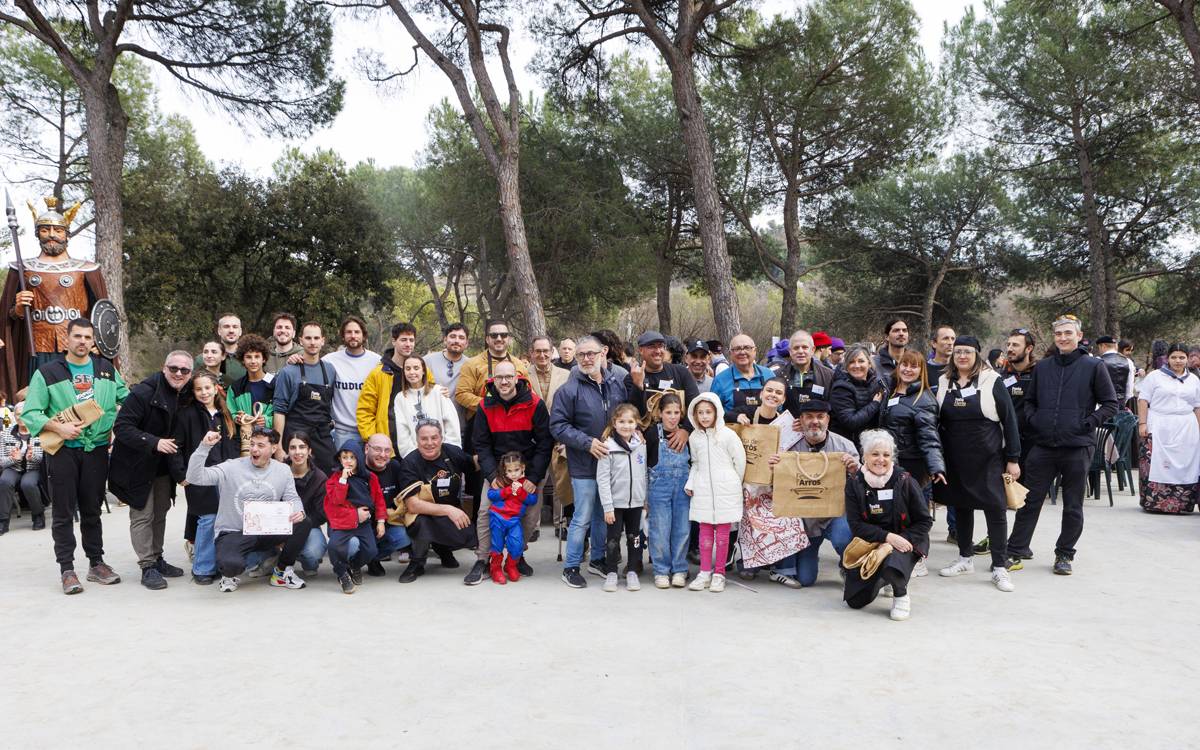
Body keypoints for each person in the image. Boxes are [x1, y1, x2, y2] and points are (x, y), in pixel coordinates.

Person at [23, 318, 127, 594]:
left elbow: (127, 399)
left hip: (96, 451)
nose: (82, 341)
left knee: (92, 510)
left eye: (87, 337)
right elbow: (30, 412)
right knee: (63, 512)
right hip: (63, 452)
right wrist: (59, 427)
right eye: (77, 336)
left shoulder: (106, 369)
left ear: (93, 341)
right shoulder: (46, 373)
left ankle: (96, 564)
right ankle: (67, 570)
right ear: (67, 339)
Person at [1007, 315, 1117, 575]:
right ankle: (1016, 549)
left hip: (1077, 446)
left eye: (1068, 333)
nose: (1063, 338)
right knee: (1029, 501)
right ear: (1054, 338)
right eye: (1059, 334)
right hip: (1043, 445)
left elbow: (1111, 403)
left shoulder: (1093, 366)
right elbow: (1030, 401)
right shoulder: (1043, 367)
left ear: (1079, 336)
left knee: (1072, 504)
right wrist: (1035, 420)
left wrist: (1087, 423)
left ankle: (1064, 554)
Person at [933, 336, 1020, 592]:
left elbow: (1010, 421)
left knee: (995, 508)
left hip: (988, 457)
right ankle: (965, 558)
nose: (962, 356)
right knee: (961, 506)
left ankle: (1000, 567)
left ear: (977, 355)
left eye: (967, 352)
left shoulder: (992, 380)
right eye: (957, 352)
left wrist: (1013, 459)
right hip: (955, 456)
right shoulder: (943, 381)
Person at [1, 197, 111, 396]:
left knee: (76, 397)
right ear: (37, 233)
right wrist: (16, 310)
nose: (51, 235)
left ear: (66, 234)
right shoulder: (22, 269)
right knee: (36, 396)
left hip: (76, 346)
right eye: (45, 230)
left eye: (58, 230)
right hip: (36, 346)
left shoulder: (86, 269)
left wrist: (100, 343)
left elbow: (103, 314)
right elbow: (6, 317)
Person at [185, 427, 310, 593]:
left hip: (266, 529)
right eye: (252, 444)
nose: (254, 449)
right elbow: (194, 477)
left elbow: (292, 498)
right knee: (231, 566)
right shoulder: (231, 467)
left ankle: (281, 572)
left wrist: (298, 510)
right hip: (234, 532)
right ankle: (230, 574)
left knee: (303, 522)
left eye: (260, 445)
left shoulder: (283, 470)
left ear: (273, 448)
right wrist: (204, 447)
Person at [109, 350, 193, 590]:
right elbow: (122, 427)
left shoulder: (185, 393)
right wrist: (154, 441)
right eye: (173, 368)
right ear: (164, 368)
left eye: (184, 370)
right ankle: (147, 566)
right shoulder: (143, 392)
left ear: (190, 373)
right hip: (136, 464)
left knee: (160, 512)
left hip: (162, 466)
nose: (178, 373)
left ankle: (157, 557)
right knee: (142, 515)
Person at [552, 334, 629, 588]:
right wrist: (587, 442)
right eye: (581, 355)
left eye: (591, 354)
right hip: (583, 464)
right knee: (582, 515)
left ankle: (597, 559)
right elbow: (558, 426)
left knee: (602, 514)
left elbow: (624, 417)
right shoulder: (569, 389)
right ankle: (571, 566)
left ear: (603, 353)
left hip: (611, 464)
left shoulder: (617, 383)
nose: (586, 359)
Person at [466, 360, 552, 585]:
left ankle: (516, 555)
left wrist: (533, 478)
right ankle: (483, 559)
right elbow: (481, 445)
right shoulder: (485, 406)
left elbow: (545, 443)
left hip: (528, 468)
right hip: (497, 469)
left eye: (508, 377)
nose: (504, 382)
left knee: (529, 514)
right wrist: (492, 477)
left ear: (517, 378)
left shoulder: (534, 403)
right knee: (486, 510)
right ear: (493, 379)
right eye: (499, 377)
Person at [767, 400, 860, 586]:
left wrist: (855, 470)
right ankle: (807, 556)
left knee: (843, 537)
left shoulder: (844, 446)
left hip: (836, 514)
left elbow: (864, 484)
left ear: (828, 419)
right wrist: (772, 469)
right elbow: (776, 488)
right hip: (806, 519)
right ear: (800, 420)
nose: (814, 421)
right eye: (809, 417)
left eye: (820, 416)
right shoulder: (789, 446)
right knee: (806, 579)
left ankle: (847, 565)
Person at [842, 430, 932, 621]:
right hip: (873, 541)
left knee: (892, 564)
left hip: (907, 538)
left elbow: (924, 521)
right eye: (874, 454)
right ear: (864, 456)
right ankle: (885, 578)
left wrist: (897, 541)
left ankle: (901, 593)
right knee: (854, 600)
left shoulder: (905, 480)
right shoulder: (855, 483)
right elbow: (856, 525)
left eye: (886, 454)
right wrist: (886, 538)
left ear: (893, 457)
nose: (880, 459)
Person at [736, 377, 810, 588]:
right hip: (748, 483)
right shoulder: (748, 415)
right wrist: (737, 416)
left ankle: (782, 569)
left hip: (776, 482)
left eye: (778, 393)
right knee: (749, 517)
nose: (773, 395)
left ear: (784, 399)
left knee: (788, 517)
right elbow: (724, 417)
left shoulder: (789, 424)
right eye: (769, 390)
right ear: (761, 393)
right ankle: (749, 562)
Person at [168, 372, 238, 585]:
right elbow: (176, 446)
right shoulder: (186, 414)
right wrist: (181, 474)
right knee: (207, 519)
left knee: (223, 520)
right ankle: (202, 568)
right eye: (199, 389)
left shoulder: (225, 414)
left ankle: (218, 563)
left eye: (207, 388)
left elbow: (231, 445)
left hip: (224, 474)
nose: (204, 393)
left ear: (216, 387)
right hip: (199, 475)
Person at [394, 420, 478, 582]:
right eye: (424, 439)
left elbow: (474, 464)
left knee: (467, 536)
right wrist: (449, 510)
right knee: (421, 523)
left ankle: (443, 549)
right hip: (421, 513)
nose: (430, 443)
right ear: (416, 440)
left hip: (449, 513)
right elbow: (413, 505)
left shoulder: (452, 452)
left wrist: (494, 454)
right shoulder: (410, 463)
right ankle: (417, 562)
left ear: (441, 438)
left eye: (434, 438)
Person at [683, 393, 745, 593]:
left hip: (726, 490)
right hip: (702, 491)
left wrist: (734, 482)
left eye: (708, 412)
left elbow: (740, 461)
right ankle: (704, 572)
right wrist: (691, 482)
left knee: (723, 536)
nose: (704, 416)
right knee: (705, 534)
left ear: (717, 412)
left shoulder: (727, 435)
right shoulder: (694, 437)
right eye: (700, 413)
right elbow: (695, 463)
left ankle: (719, 573)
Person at [1136, 343, 1200, 513]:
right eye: (1174, 357)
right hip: (1159, 423)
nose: (1178, 361)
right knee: (1156, 462)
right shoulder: (1155, 377)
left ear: (1187, 358)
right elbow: (1143, 400)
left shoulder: (1193, 380)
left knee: (1186, 463)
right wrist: (1143, 423)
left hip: (1186, 426)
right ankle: (1154, 502)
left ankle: (1183, 504)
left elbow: (1197, 406)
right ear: (1168, 358)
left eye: (1181, 357)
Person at [357, 322, 435, 451]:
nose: (408, 344)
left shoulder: (423, 370)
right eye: (403, 340)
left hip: (417, 441)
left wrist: (440, 391)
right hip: (388, 443)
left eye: (411, 340)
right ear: (394, 341)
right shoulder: (379, 373)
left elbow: (431, 396)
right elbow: (365, 410)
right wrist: (372, 438)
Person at [595, 403, 647, 592]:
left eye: (630, 421)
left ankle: (632, 570)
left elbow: (644, 474)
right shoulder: (607, 446)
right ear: (614, 423)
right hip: (615, 504)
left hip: (636, 502)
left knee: (635, 538)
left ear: (637, 423)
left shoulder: (641, 445)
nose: (626, 426)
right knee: (613, 539)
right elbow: (602, 479)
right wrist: (608, 507)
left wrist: (644, 500)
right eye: (622, 421)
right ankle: (611, 572)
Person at [272, 322, 336, 472]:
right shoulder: (288, 372)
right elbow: (279, 411)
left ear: (323, 340)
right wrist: (279, 448)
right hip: (296, 436)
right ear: (301, 340)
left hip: (322, 436)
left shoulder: (330, 370)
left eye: (316, 338)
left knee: (327, 479)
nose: (312, 342)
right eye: (308, 338)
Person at [324, 441, 387, 594]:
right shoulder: (334, 479)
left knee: (371, 550)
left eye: (352, 457)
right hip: (342, 522)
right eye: (345, 457)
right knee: (333, 547)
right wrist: (343, 480)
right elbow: (336, 501)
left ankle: (355, 564)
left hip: (364, 523)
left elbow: (378, 499)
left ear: (359, 458)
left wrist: (380, 521)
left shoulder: (370, 477)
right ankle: (342, 573)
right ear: (339, 459)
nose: (348, 461)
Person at [643, 393, 691, 589]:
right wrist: (644, 496)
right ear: (660, 413)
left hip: (683, 488)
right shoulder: (652, 433)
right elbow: (644, 464)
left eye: (676, 413)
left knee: (682, 529)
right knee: (660, 529)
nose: (673, 417)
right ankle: (661, 570)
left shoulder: (687, 435)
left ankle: (679, 568)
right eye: (668, 412)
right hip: (659, 488)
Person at [879, 350, 945, 487]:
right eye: (904, 364)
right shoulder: (889, 389)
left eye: (914, 366)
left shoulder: (925, 400)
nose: (908, 369)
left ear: (921, 371)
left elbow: (929, 437)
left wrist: (936, 466)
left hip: (910, 464)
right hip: (888, 459)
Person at [526, 336, 570, 537]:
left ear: (552, 352)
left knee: (560, 480)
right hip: (534, 437)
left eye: (546, 351)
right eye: (538, 351)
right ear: (532, 353)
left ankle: (560, 523)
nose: (542, 355)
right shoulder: (523, 375)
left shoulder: (566, 375)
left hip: (559, 435)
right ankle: (532, 525)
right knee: (536, 481)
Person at [360, 433, 419, 576]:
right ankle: (356, 561)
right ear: (367, 448)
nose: (383, 454)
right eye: (377, 449)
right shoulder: (358, 468)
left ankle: (373, 559)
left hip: (388, 521)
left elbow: (405, 495)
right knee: (353, 545)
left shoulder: (395, 467)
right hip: (362, 523)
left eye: (387, 450)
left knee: (402, 537)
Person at [323, 315, 381, 451]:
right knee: (345, 471)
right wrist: (296, 359)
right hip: (342, 432)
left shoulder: (377, 361)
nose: (353, 335)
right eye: (348, 332)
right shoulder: (329, 360)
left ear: (364, 335)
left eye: (357, 332)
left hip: (371, 430)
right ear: (343, 336)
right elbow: (311, 366)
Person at [626, 331, 700, 429]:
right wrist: (638, 386)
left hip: (677, 435)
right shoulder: (632, 377)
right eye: (651, 346)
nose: (658, 351)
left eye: (661, 346)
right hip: (647, 439)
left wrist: (685, 430)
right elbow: (632, 414)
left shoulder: (681, 373)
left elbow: (695, 405)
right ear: (641, 350)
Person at [486, 452, 538, 584]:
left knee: (516, 544)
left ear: (523, 468)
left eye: (516, 470)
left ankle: (510, 566)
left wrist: (521, 493)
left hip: (514, 520)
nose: (513, 474)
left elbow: (533, 499)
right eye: (509, 471)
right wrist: (506, 491)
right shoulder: (500, 481)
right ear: (504, 470)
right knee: (496, 545)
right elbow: (491, 495)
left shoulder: (526, 484)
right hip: (497, 517)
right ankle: (495, 569)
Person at [393, 355, 460, 459]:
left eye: (416, 368)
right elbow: (403, 433)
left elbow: (452, 424)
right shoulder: (400, 398)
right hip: (416, 458)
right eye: (408, 369)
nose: (412, 372)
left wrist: (448, 451)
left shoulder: (438, 392)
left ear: (423, 370)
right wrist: (411, 456)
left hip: (443, 454)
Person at [287, 433, 330, 577]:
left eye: (302, 447)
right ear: (288, 451)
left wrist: (303, 519)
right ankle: (276, 559)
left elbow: (322, 514)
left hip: (310, 525)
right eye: (293, 447)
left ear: (309, 451)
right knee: (253, 558)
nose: (297, 452)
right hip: (281, 525)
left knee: (312, 552)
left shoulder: (319, 477)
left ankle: (307, 562)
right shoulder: (280, 472)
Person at [830, 344, 887, 450]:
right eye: (851, 362)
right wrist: (874, 404)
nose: (856, 365)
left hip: (871, 445)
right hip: (847, 447)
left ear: (869, 364)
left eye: (861, 361)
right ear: (846, 366)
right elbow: (850, 421)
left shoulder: (876, 383)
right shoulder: (841, 388)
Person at [0, 401, 45, 534]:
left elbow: (43, 460)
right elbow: (1, 461)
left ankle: (38, 516)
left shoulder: (39, 432)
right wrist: (14, 458)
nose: (20, 417)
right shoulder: (6, 433)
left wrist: (32, 457)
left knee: (28, 484)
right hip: (13, 467)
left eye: (24, 414)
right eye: (18, 414)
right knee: (4, 481)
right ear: (14, 416)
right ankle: (3, 521)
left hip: (33, 468)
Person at [710, 334, 774, 421]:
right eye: (737, 349)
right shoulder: (720, 380)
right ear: (730, 353)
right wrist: (732, 417)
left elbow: (780, 407)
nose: (742, 352)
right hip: (733, 433)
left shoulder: (769, 375)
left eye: (747, 348)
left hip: (765, 432)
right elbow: (712, 411)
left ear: (754, 351)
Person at [770, 329, 835, 415]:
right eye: (796, 348)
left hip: (816, 427)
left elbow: (833, 408)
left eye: (805, 347)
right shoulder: (777, 375)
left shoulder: (828, 375)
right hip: (785, 427)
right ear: (790, 351)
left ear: (812, 350)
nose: (800, 351)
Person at [226, 334, 274, 449]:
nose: (253, 361)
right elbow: (230, 413)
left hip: (269, 442)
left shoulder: (275, 384)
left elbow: (283, 412)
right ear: (242, 359)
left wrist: (267, 421)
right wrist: (237, 418)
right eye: (248, 357)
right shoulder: (235, 387)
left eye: (257, 356)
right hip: (244, 443)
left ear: (264, 359)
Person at [197, 314, 247, 384]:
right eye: (226, 327)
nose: (231, 330)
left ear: (240, 331)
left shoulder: (251, 359)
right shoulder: (202, 359)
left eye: (235, 327)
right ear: (219, 331)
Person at [1095, 335, 1133, 407]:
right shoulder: (1128, 361)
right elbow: (1129, 390)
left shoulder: (1098, 361)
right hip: (1121, 403)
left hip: (1102, 405)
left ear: (1102, 346)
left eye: (1099, 347)